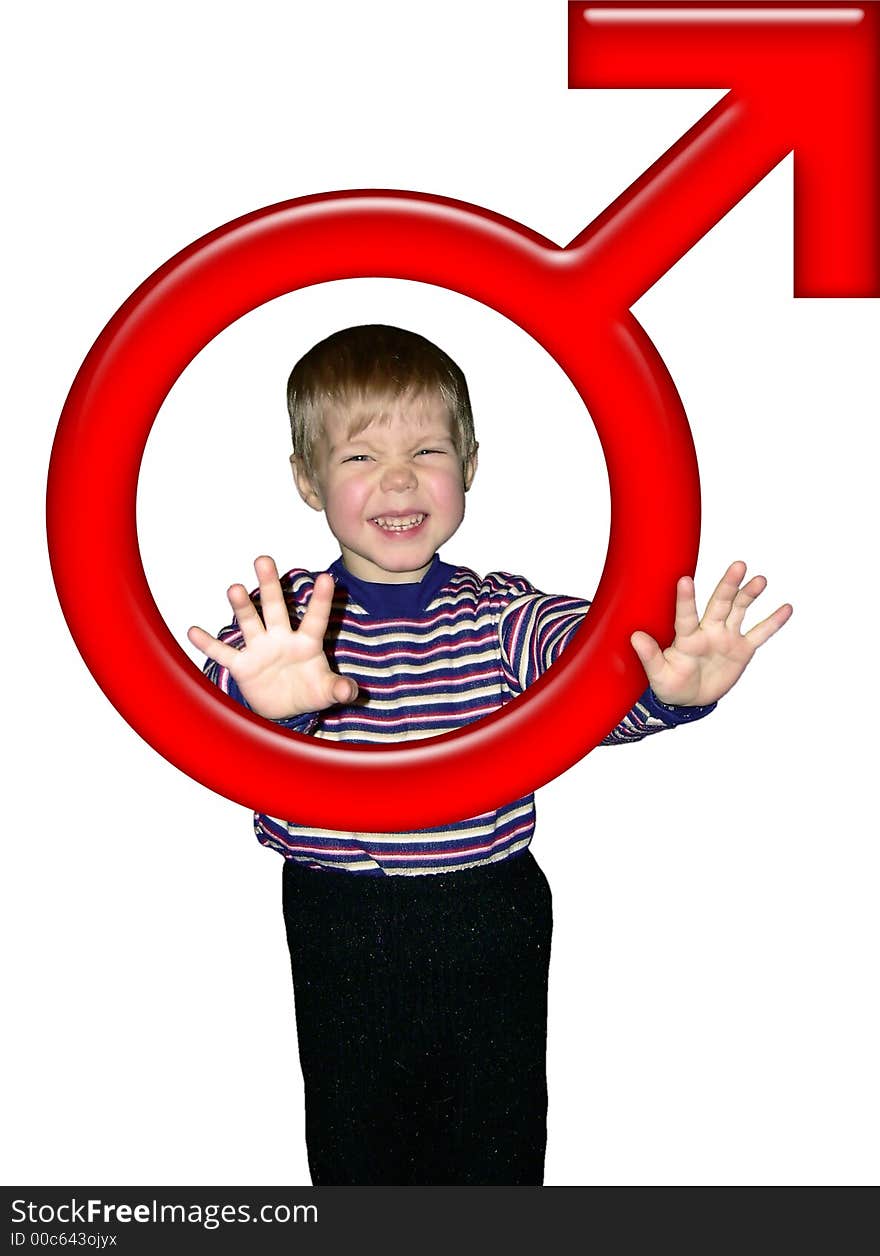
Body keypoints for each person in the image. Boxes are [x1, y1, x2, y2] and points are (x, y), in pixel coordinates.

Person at [187, 324, 792, 1185]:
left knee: (495, 1154)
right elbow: (207, 718)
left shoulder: (500, 614)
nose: (398, 479)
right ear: (306, 480)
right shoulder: (284, 626)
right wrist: (262, 706)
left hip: (489, 915)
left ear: (469, 467)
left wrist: (667, 684)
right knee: (356, 1154)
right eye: (359, 457)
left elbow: (590, 672)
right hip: (336, 920)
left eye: (427, 450)